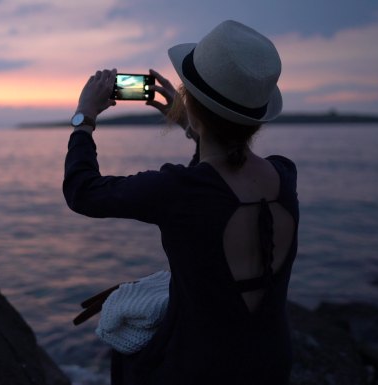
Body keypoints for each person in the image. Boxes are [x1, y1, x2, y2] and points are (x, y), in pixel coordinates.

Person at [63, 20, 299, 385]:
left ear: (195, 108)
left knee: (125, 361)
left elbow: (83, 192)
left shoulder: (178, 190)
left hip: (200, 369)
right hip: (272, 360)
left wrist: (84, 117)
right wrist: (195, 126)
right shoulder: (284, 175)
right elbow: (220, 174)